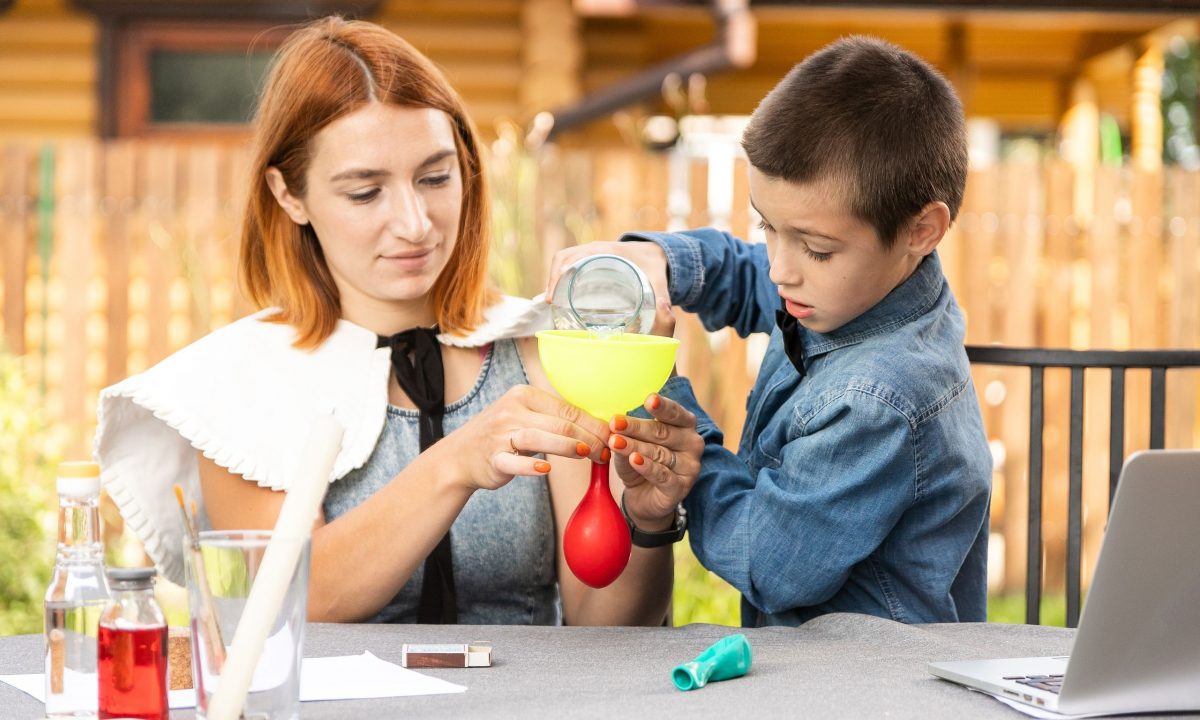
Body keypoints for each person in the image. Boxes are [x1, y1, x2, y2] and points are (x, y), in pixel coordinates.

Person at [94, 17, 702, 626]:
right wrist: (455, 463)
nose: (414, 223)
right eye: (365, 192)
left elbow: (608, 628)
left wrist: (647, 523)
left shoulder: (540, 350)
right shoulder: (239, 382)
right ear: (289, 194)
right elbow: (292, 602)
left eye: (435, 177)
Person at [548, 36, 992, 626]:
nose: (781, 267)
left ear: (920, 230)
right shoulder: (854, 290)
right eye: (768, 227)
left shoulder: (880, 399)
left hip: (869, 685)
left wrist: (676, 419)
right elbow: (743, 272)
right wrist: (665, 259)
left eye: (815, 247)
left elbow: (768, 562)